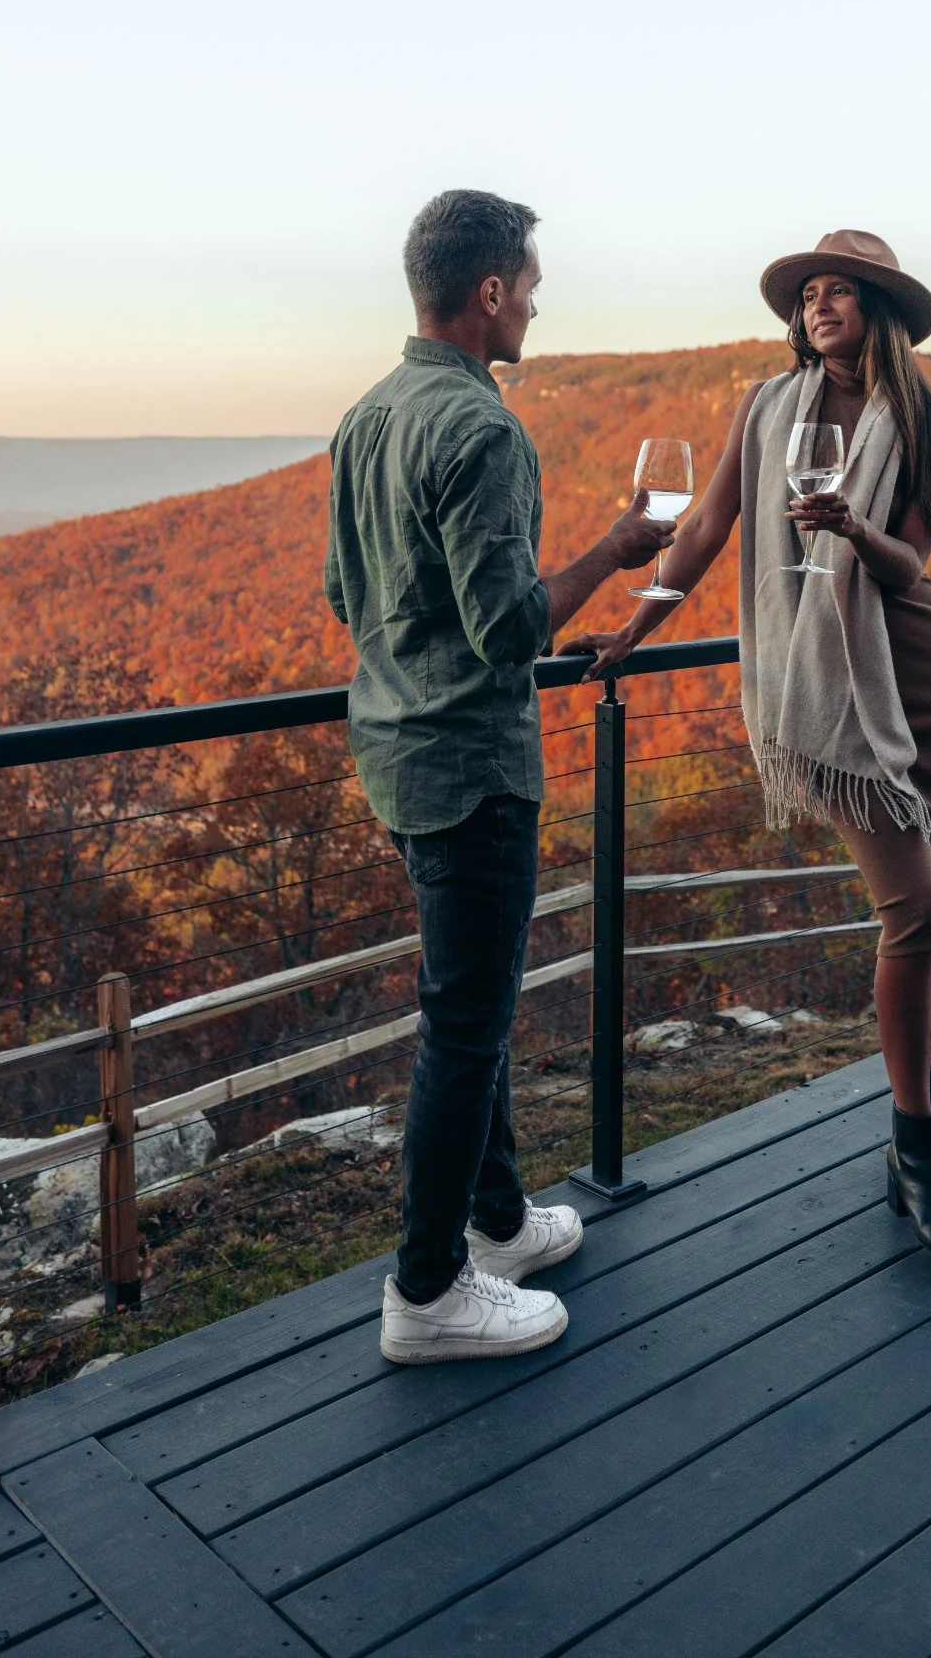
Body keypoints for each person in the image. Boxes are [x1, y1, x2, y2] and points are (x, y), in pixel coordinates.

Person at [562, 230, 931, 1263]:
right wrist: (636, 624)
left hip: (926, 678)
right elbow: (708, 525)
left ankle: (913, 1126)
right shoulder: (766, 408)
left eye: (840, 294)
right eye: (809, 297)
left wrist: (850, 530)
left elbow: (911, 567)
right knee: (914, 912)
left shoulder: (925, 422)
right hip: (828, 691)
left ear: (878, 311)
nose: (818, 309)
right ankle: (917, 1144)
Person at [324, 189, 675, 1362]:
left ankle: (501, 1222)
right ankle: (427, 1294)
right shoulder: (481, 430)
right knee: (465, 1029)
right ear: (488, 292)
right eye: (527, 283)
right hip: (472, 766)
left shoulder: (366, 417)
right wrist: (616, 552)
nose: (534, 301)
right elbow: (509, 628)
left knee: (465, 1005)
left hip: (394, 751)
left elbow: (346, 594)